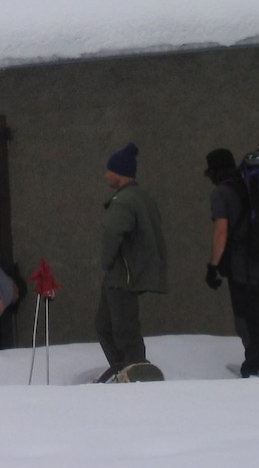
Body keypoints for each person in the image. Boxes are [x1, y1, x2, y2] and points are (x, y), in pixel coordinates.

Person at [204, 147, 259, 377]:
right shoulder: (253, 184)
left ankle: (254, 365)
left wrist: (213, 266)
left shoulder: (222, 193)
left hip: (242, 263)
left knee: (248, 313)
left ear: (215, 172)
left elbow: (221, 230)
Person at [95, 142, 168, 377]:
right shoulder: (142, 197)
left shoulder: (124, 201)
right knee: (106, 325)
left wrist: (106, 263)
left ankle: (136, 370)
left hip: (121, 275)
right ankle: (123, 370)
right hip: (130, 273)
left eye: (110, 170)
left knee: (122, 328)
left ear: (120, 172)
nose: (106, 175)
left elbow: (112, 233)